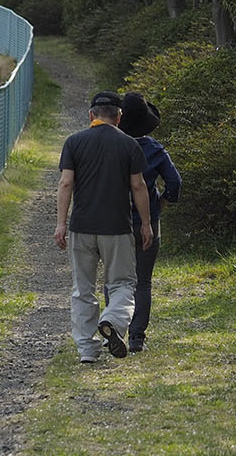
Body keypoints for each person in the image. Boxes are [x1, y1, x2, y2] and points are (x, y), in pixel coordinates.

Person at [56, 90, 153, 362]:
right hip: (117, 228)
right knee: (123, 283)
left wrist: (60, 224)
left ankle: (87, 350)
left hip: (82, 226)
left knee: (82, 288)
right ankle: (111, 319)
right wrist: (146, 224)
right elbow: (138, 186)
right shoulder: (129, 145)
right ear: (119, 117)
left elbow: (65, 184)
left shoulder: (74, 142)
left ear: (91, 115)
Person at [117, 91, 181, 354]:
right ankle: (137, 338)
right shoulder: (154, 149)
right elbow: (175, 182)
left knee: (117, 279)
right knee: (143, 281)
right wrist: (161, 203)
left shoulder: (113, 147)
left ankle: (116, 329)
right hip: (148, 222)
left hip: (116, 221)